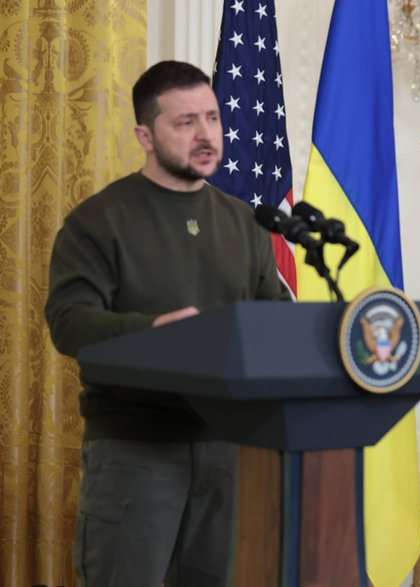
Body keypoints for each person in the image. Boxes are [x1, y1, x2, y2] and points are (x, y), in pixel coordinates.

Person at [44, 61, 288, 587]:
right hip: (136, 451)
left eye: (213, 118)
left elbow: (273, 318)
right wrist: (156, 332)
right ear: (144, 135)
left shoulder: (246, 221)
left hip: (230, 450)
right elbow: (69, 323)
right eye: (184, 123)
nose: (206, 135)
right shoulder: (97, 221)